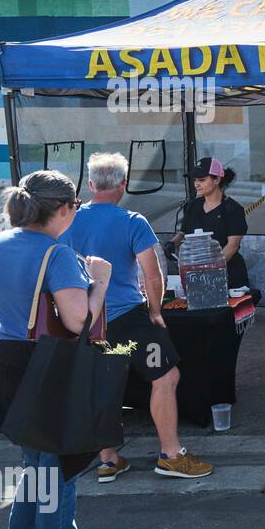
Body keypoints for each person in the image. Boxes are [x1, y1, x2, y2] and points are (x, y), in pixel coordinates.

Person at [0, 170, 111, 529]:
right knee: (58, 468)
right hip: (48, 367)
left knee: (37, 467)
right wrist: (101, 282)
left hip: (8, 362)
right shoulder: (55, 254)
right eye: (74, 206)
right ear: (63, 208)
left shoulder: (0, 244)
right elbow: (79, 321)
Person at [62, 153, 212, 482]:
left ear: (89, 185)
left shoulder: (68, 219)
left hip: (84, 319)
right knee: (166, 376)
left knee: (102, 385)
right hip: (126, 317)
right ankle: (171, 455)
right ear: (124, 184)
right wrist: (156, 311)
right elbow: (153, 274)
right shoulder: (132, 221)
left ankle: (107, 459)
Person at [168, 157, 249, 289]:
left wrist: (211, 268)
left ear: (217, 180)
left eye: (202, 180)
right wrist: (171, 244)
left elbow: (233, 245)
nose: (196, 184)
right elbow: (183, 233)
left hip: (229, 276)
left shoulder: (233, 209)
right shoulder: (192, 206)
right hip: (197, 274)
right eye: (195, 180)